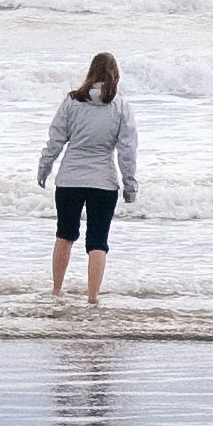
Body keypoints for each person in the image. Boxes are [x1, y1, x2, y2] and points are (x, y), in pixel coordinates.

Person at [39, 48, 136, 305]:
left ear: (90, 73)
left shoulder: (72, 101)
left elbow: (56, 138)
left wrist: (45, 166)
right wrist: (129, 182)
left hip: (70, 180)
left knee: (64, 235)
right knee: (97, 242)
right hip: (103, 183)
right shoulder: (121, 107)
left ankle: (56, 291)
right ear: (115, 75)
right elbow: (127, 150)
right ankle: (92, 298)